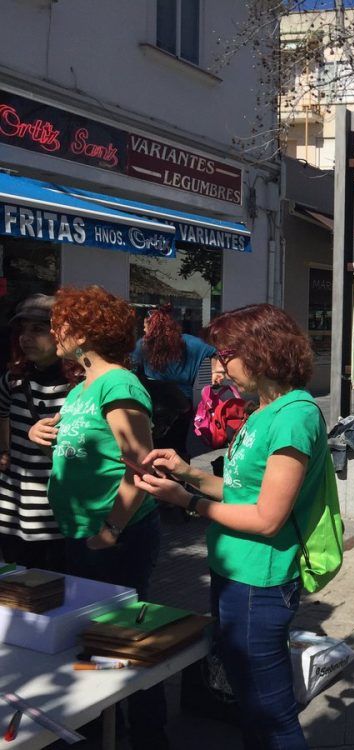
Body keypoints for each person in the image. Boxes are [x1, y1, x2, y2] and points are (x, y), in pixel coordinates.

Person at [135, 304, 329, 749]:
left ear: (259, 352)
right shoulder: (263, 410)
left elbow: (266, 518)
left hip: (258, 580)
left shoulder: (293, 416)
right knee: (250, 705)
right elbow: (242, 490)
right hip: (234, 571)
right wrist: (186, 471)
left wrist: (186, 502)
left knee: (271, 712)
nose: (218, 367)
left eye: (225, 355)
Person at [27, 286, 167, 749]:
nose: (52, 331)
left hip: (114, 539)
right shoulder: (83, 386)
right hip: (82, 534)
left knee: (123, 646)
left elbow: (142, 466)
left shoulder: (118, 383)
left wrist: (111, 529)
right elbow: (86, 443)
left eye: (61, 323)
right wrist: (41, 431)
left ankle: (148, 737)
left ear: (87, 330)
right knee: (94, 646)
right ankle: (104, 730)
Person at [0, 295, 78, 570]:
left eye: (37, 329)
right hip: (12, 510)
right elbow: (2, 412)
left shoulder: (78, 388)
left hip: (56, 515)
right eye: (22, 329)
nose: (25, 337)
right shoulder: (14, 379)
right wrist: (4, 449)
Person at [132, 304, 216, 458]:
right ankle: (181, 478)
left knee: (154, 449)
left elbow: (133, 371)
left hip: (154, 405)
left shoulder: (143, 345)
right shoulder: (193, 343)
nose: (143, 331)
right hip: (183, 405)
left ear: (152, 327)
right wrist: (215, 372)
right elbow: (216, 352)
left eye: (145, 327)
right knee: (178, 448)